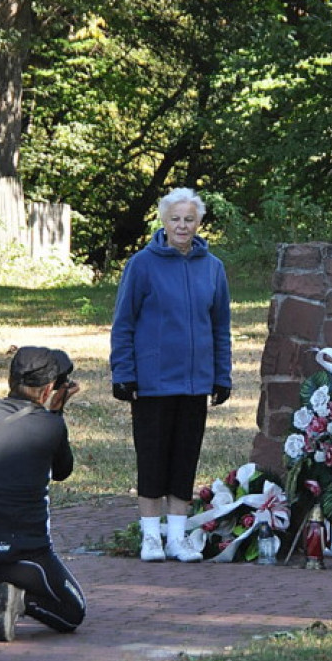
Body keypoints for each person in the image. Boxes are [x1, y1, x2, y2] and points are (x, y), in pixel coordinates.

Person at [110, 187, 232, 563]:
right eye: (175, 218)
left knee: (184, 460)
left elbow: (220, 327)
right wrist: (123, 372)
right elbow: (124, 322)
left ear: (199, 222)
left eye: (189, 219)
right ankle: (150, 537)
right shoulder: (142, 264)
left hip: (195, 382)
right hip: (152, 381)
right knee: (152, 458)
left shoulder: (213, 268)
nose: (182, 225)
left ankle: (177, 537)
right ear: (163, 221)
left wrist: (221, 376)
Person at [0, 346, 87, 642]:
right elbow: (62, 470)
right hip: (25, 557)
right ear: (50, 388)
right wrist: (57, 409)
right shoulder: (51, 425)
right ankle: (18, 598)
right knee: (73, 613)